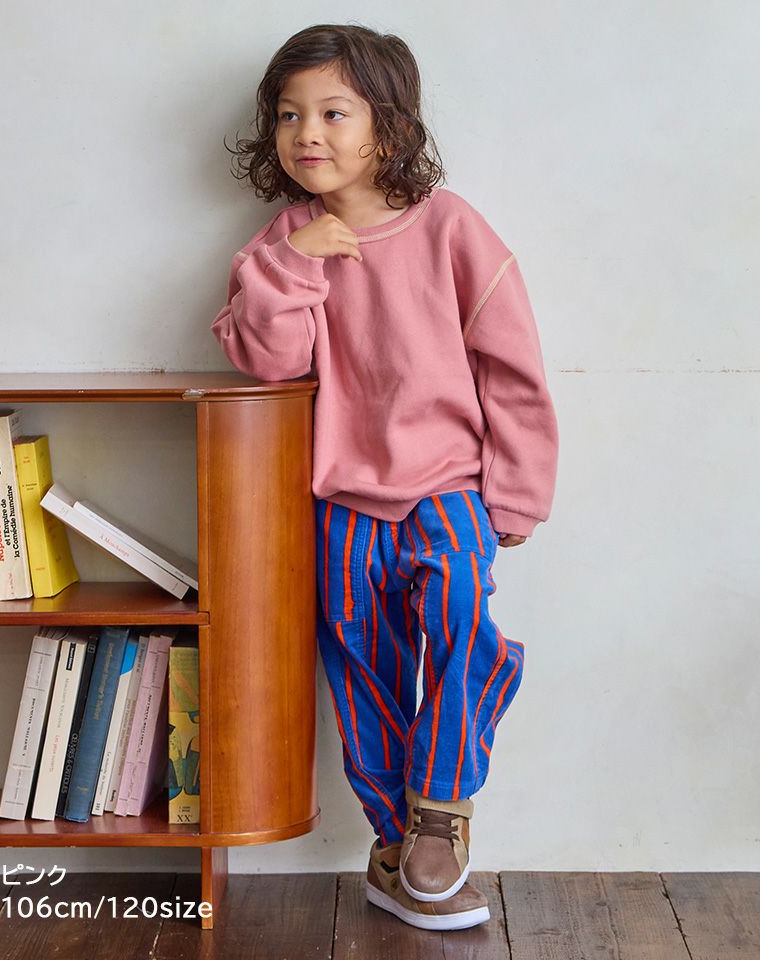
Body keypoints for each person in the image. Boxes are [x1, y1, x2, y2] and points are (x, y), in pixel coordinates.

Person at [211, 22, 559, 932]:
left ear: (389, 128)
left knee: (464, 635)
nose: (306, 133)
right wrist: (293, 266)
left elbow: (513, 368)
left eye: (333, 112)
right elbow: (269, 362)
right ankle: (396, 847)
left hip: (449, 487)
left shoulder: (450, 227)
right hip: (342, 502)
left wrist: (519, 489)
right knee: (361, 667)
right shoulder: (283, 242)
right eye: (289, 115)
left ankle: (438, 811)